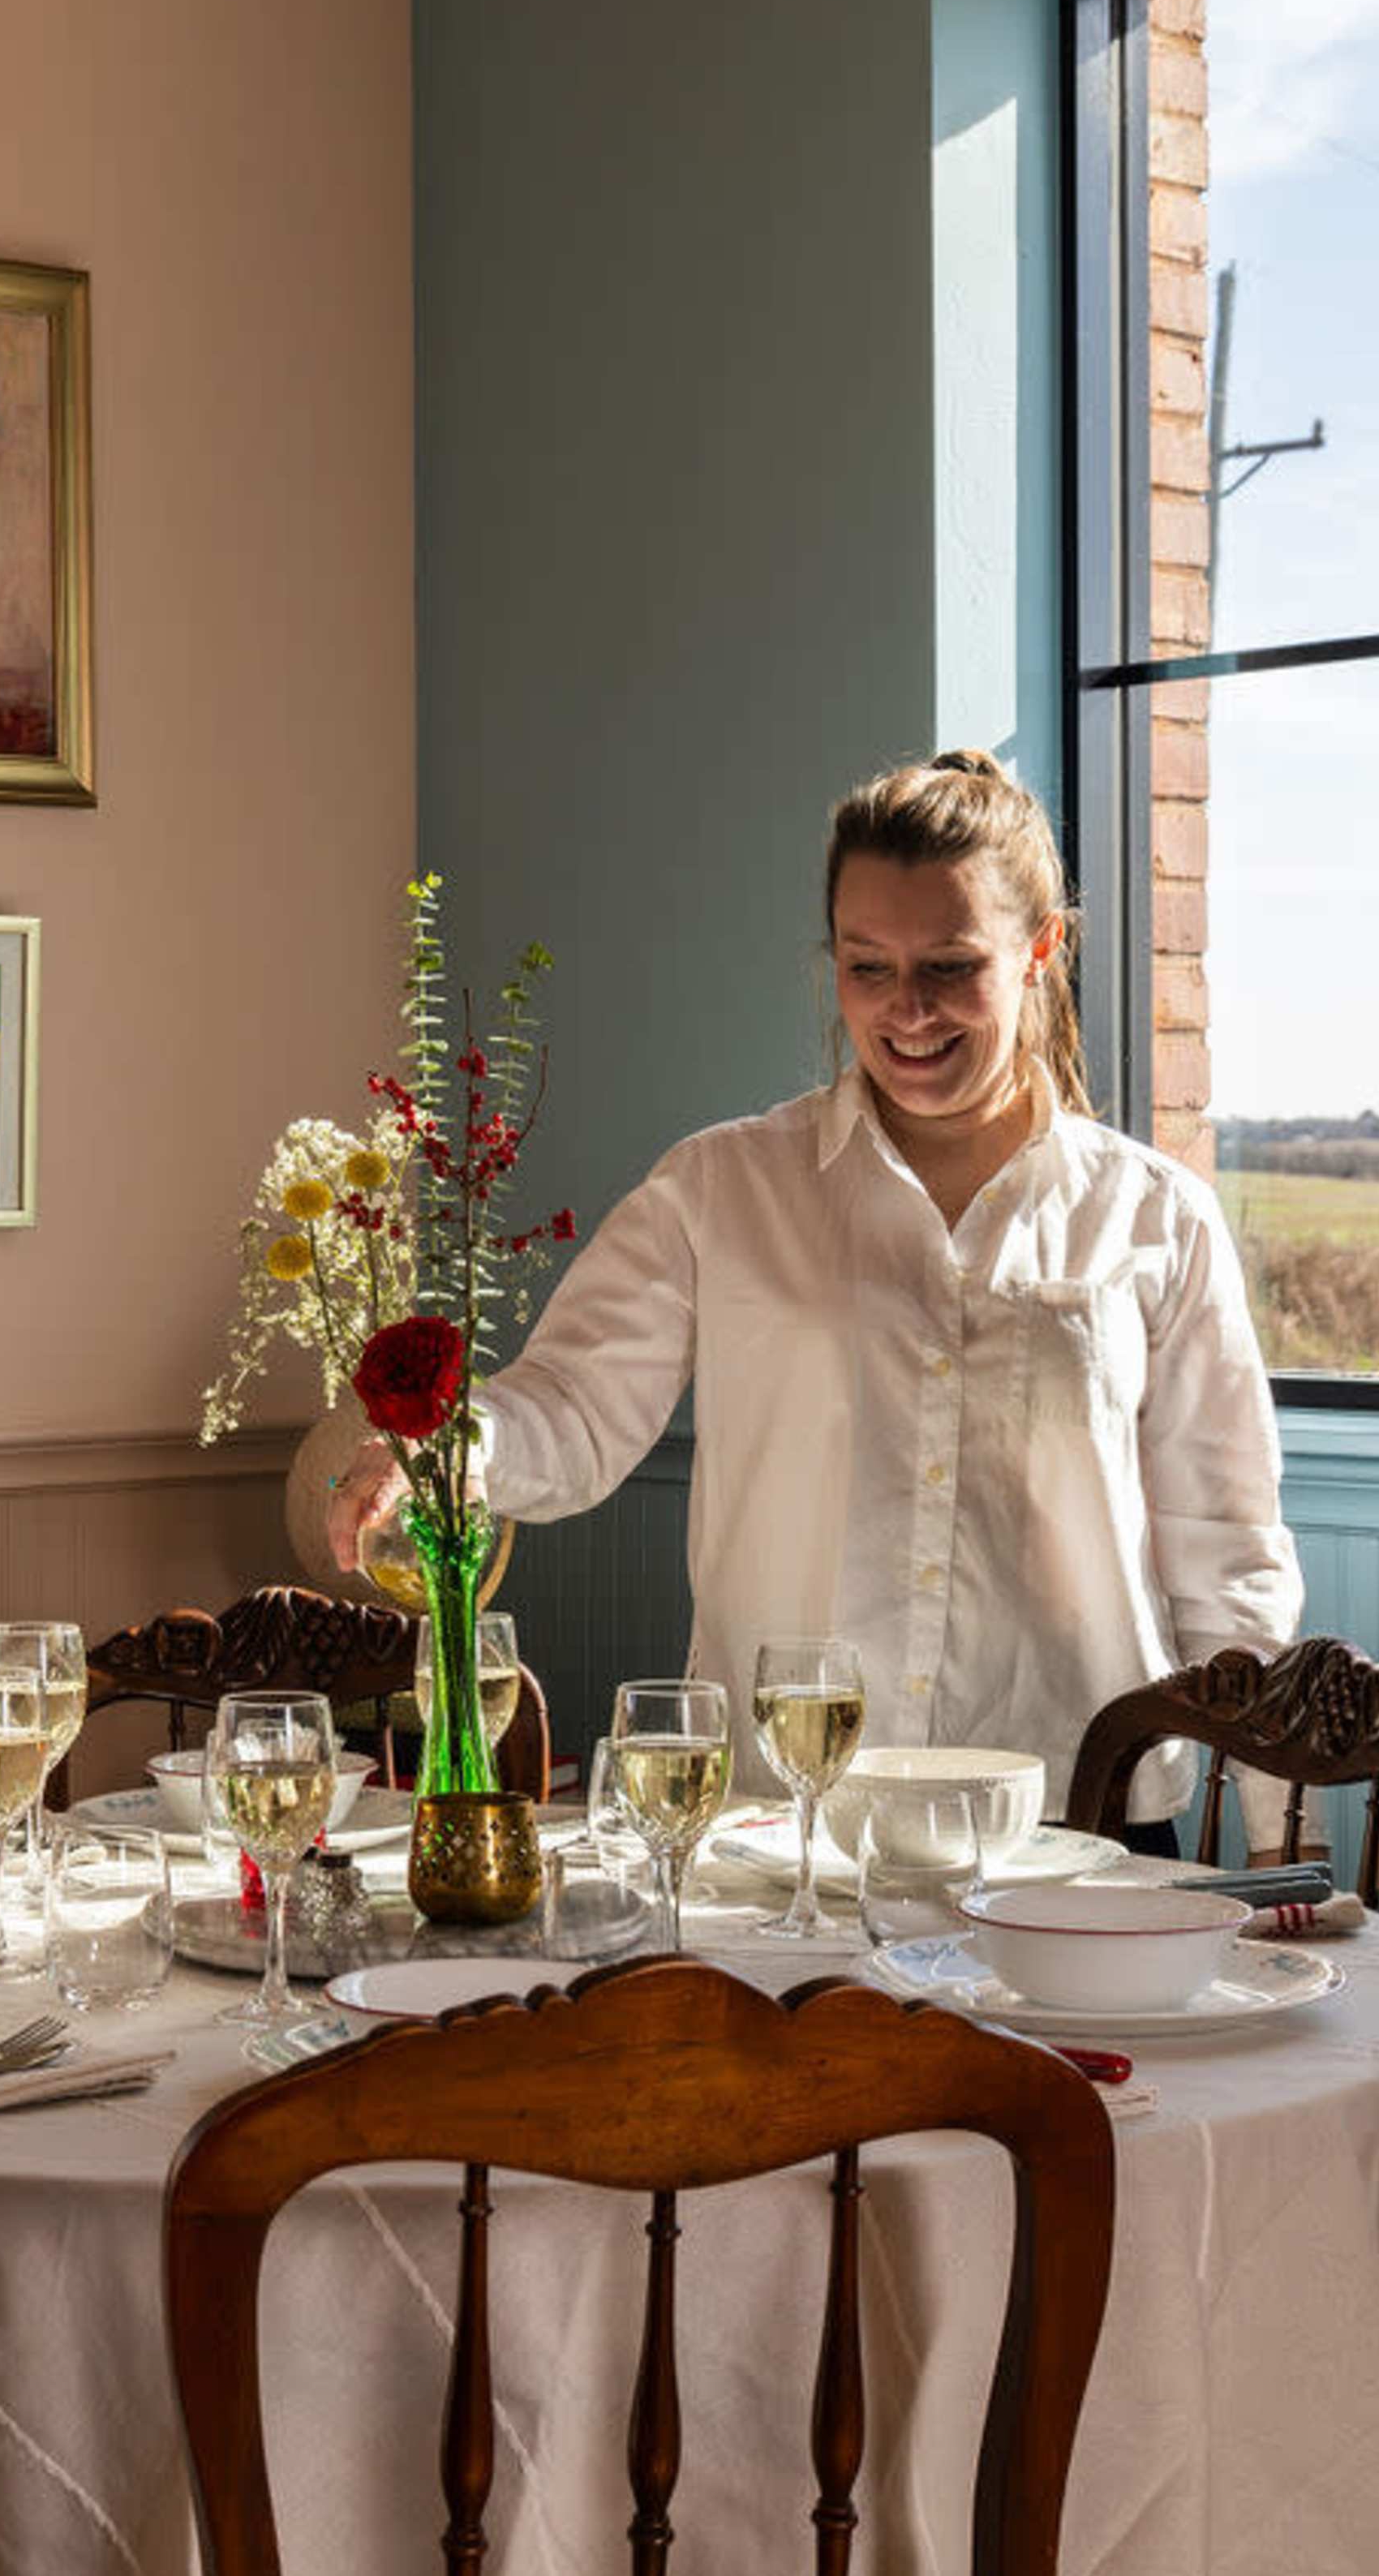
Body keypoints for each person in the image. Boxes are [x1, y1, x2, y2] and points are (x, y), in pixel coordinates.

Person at [330, 749, 1299, 1817]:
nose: (906, 1011)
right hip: (781, 1824)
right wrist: (440, 1453)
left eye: (949, 966)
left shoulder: (1156, 1218)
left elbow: (1229, 1553)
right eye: (867, 966)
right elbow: (571, 1410)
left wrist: (1271, 1835)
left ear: (1039, 951)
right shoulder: (721, 1187)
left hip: (1077, 1823)